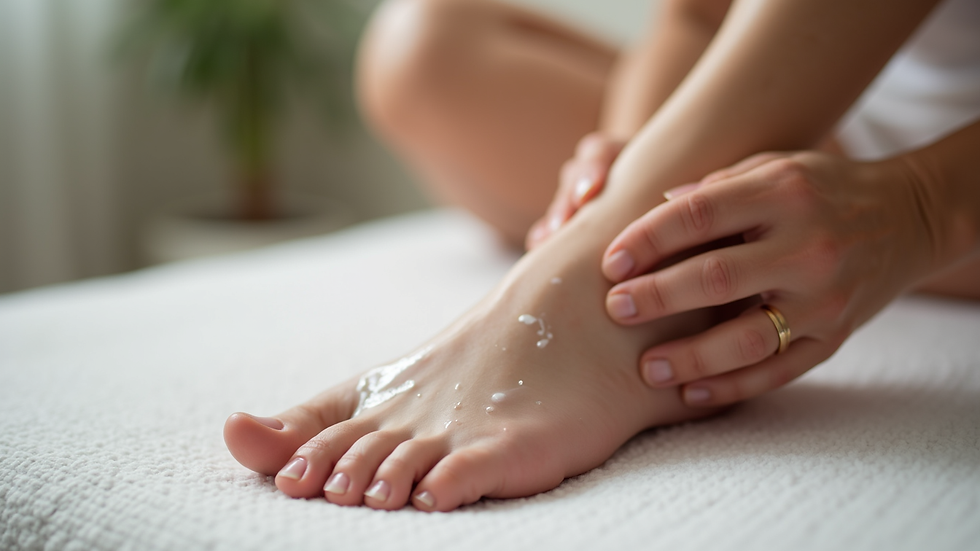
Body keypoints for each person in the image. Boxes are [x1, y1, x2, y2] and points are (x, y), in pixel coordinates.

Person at [223, 0, 980, 512]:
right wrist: (633, 156)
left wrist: (918, 207)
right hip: (797, 120)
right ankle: (643, 246)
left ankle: (605, 300)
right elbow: (696, 16)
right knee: (422, 45)